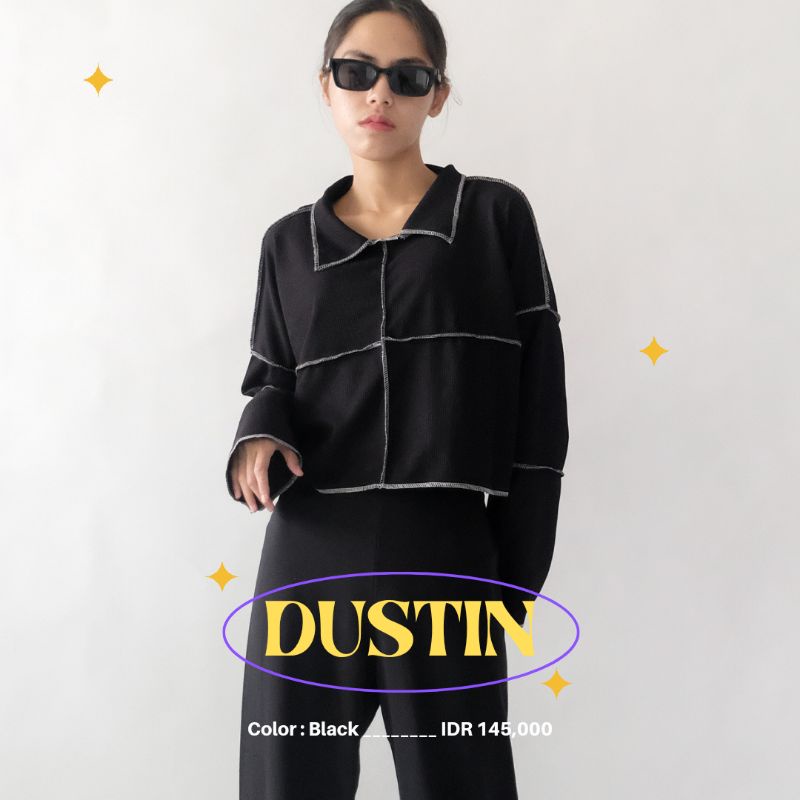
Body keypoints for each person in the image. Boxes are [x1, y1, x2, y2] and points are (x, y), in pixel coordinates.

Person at [225, 2, 569, 798]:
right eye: (356, 73)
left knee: (462, 784)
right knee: (287, 782)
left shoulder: (493, 216)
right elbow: (272, 377)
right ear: (327, 85)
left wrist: (514, 577)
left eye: (407, 77)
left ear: (436, 95)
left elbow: (540, 405)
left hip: (445, 549)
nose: (378, 94)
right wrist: (258, 435)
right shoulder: (288, 243)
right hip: (310, 553)